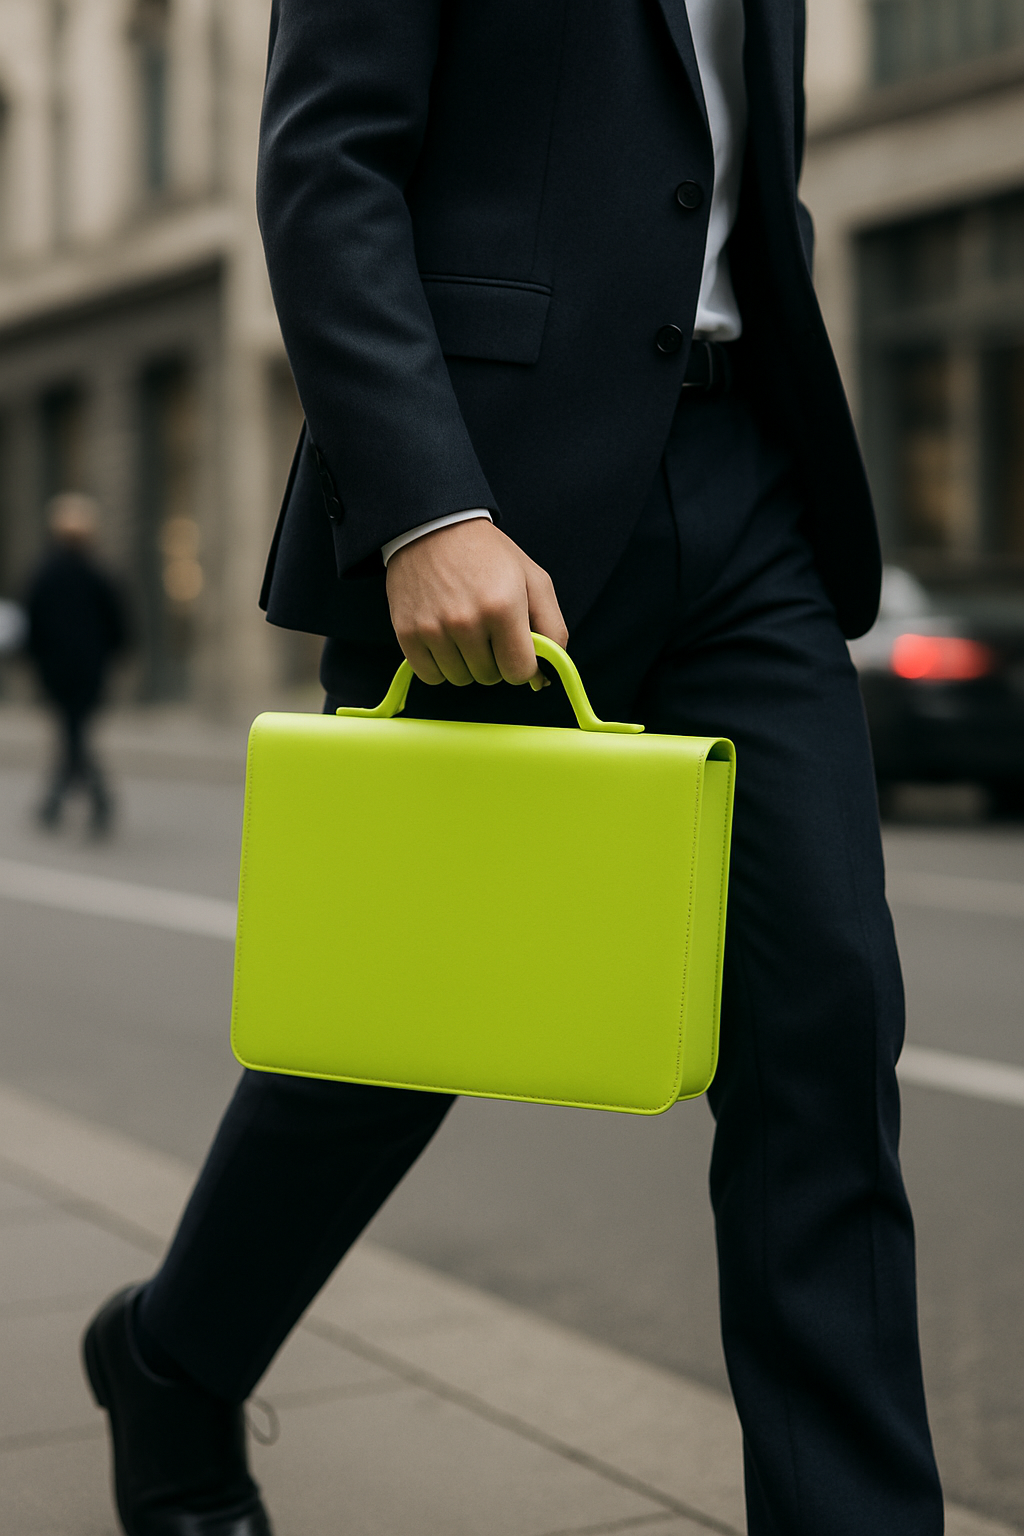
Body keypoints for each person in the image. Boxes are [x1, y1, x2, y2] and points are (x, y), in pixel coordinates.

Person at [82, 2, 945, 1533]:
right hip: (495, 504)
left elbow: (732, 175)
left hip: (749, 495)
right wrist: (423, 507)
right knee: (391, 1043)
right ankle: (173, 1357)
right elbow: (326, 161)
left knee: (824, 1030)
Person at [26, 493, 127, 836]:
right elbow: (118, 625)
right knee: (75, 733)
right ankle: (77, 800)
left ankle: (76, 800)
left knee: (73, 734)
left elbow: (32, 625)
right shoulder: (97, 573)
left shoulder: (44, 574)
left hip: (57, 671)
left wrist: (36, 661)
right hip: (89, 671)